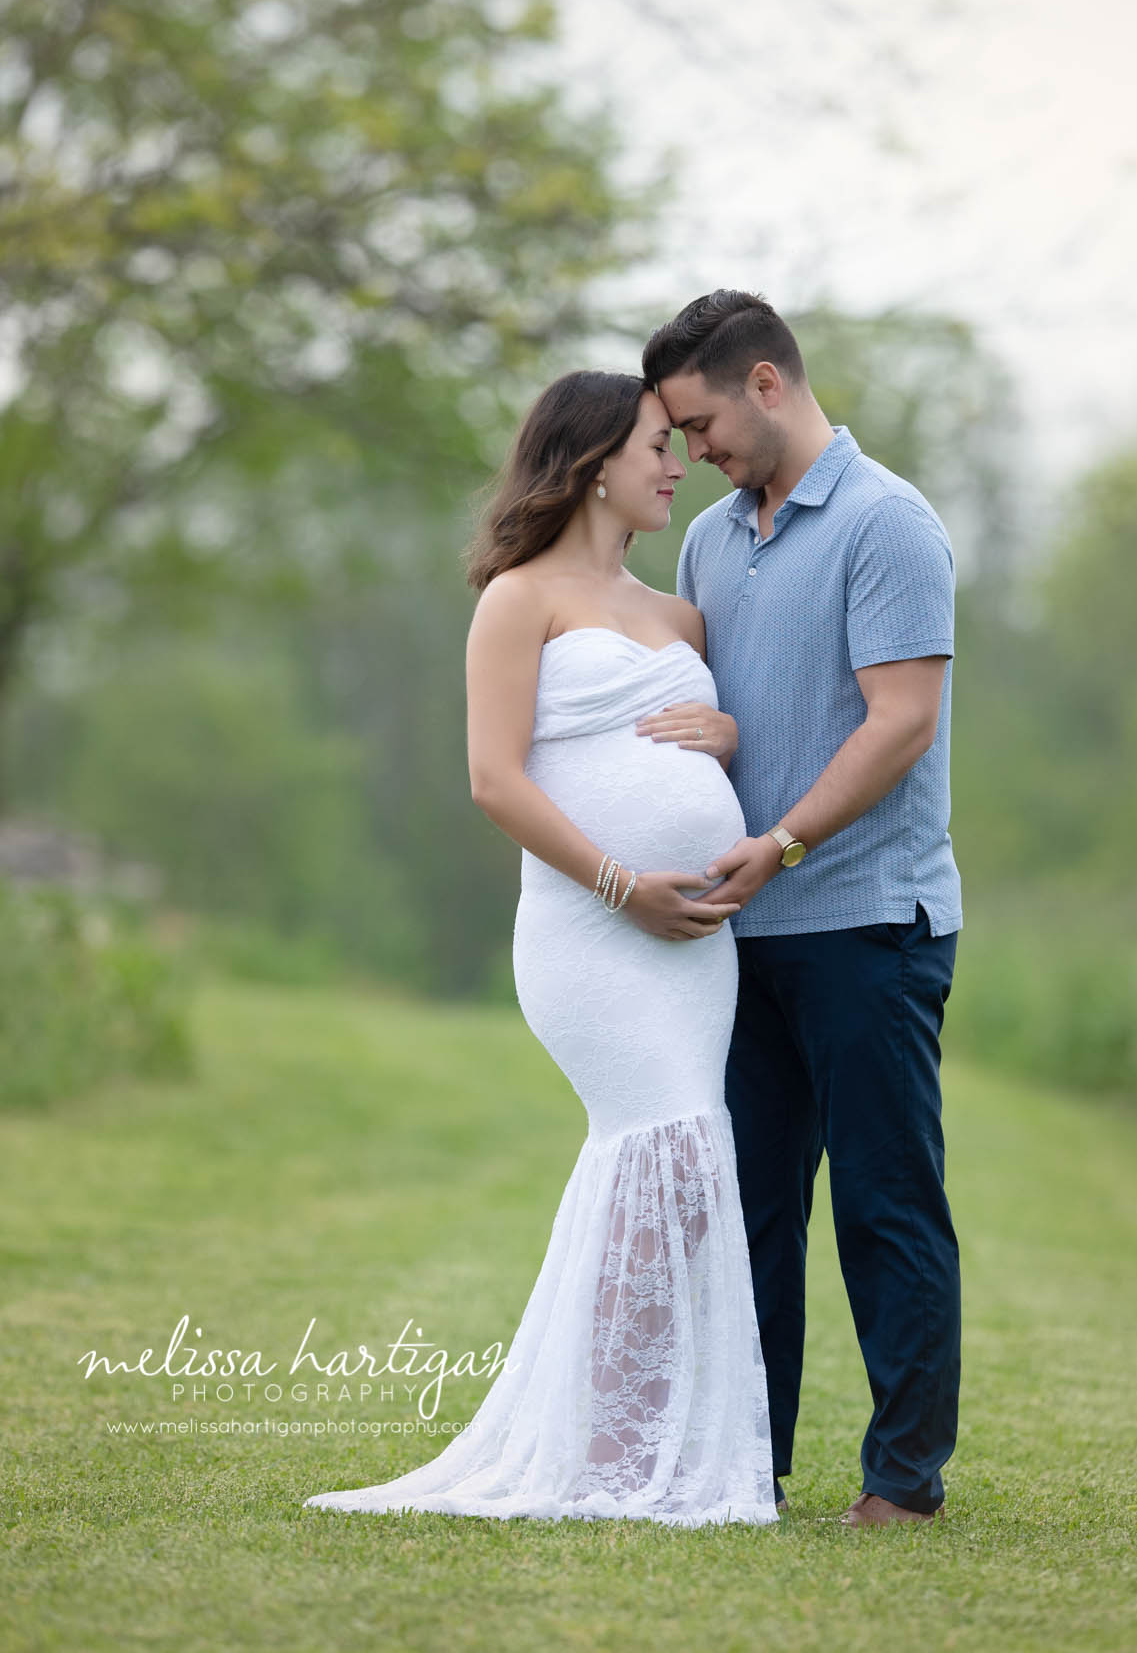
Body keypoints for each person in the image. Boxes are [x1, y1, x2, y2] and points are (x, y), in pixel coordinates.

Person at [303, 370, 779, 1528]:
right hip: (590, 935)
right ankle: (615, 1448)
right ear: (590, 459)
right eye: (656, 445)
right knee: (662, 1145)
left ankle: (630, 1439)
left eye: (678, 444)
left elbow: (712, 754)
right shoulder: (517, 599)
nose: (676, 465)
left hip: (695, 948)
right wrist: (621, 884)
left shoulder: (681, 614)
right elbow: (494, 778)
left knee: (680, 1167)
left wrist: (727, 730)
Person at [642, 289, 962, 1528]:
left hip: (866, 924)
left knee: (887, 1202)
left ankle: (902, 1480)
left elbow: (902, 721)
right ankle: (746, 1465)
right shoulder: (713, 541)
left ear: (765, 382)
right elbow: (730, 711)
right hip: (741, 936)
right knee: (750, 1206)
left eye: (702, 421)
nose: (694, 451)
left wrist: (778, 840)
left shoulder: (890, 524)